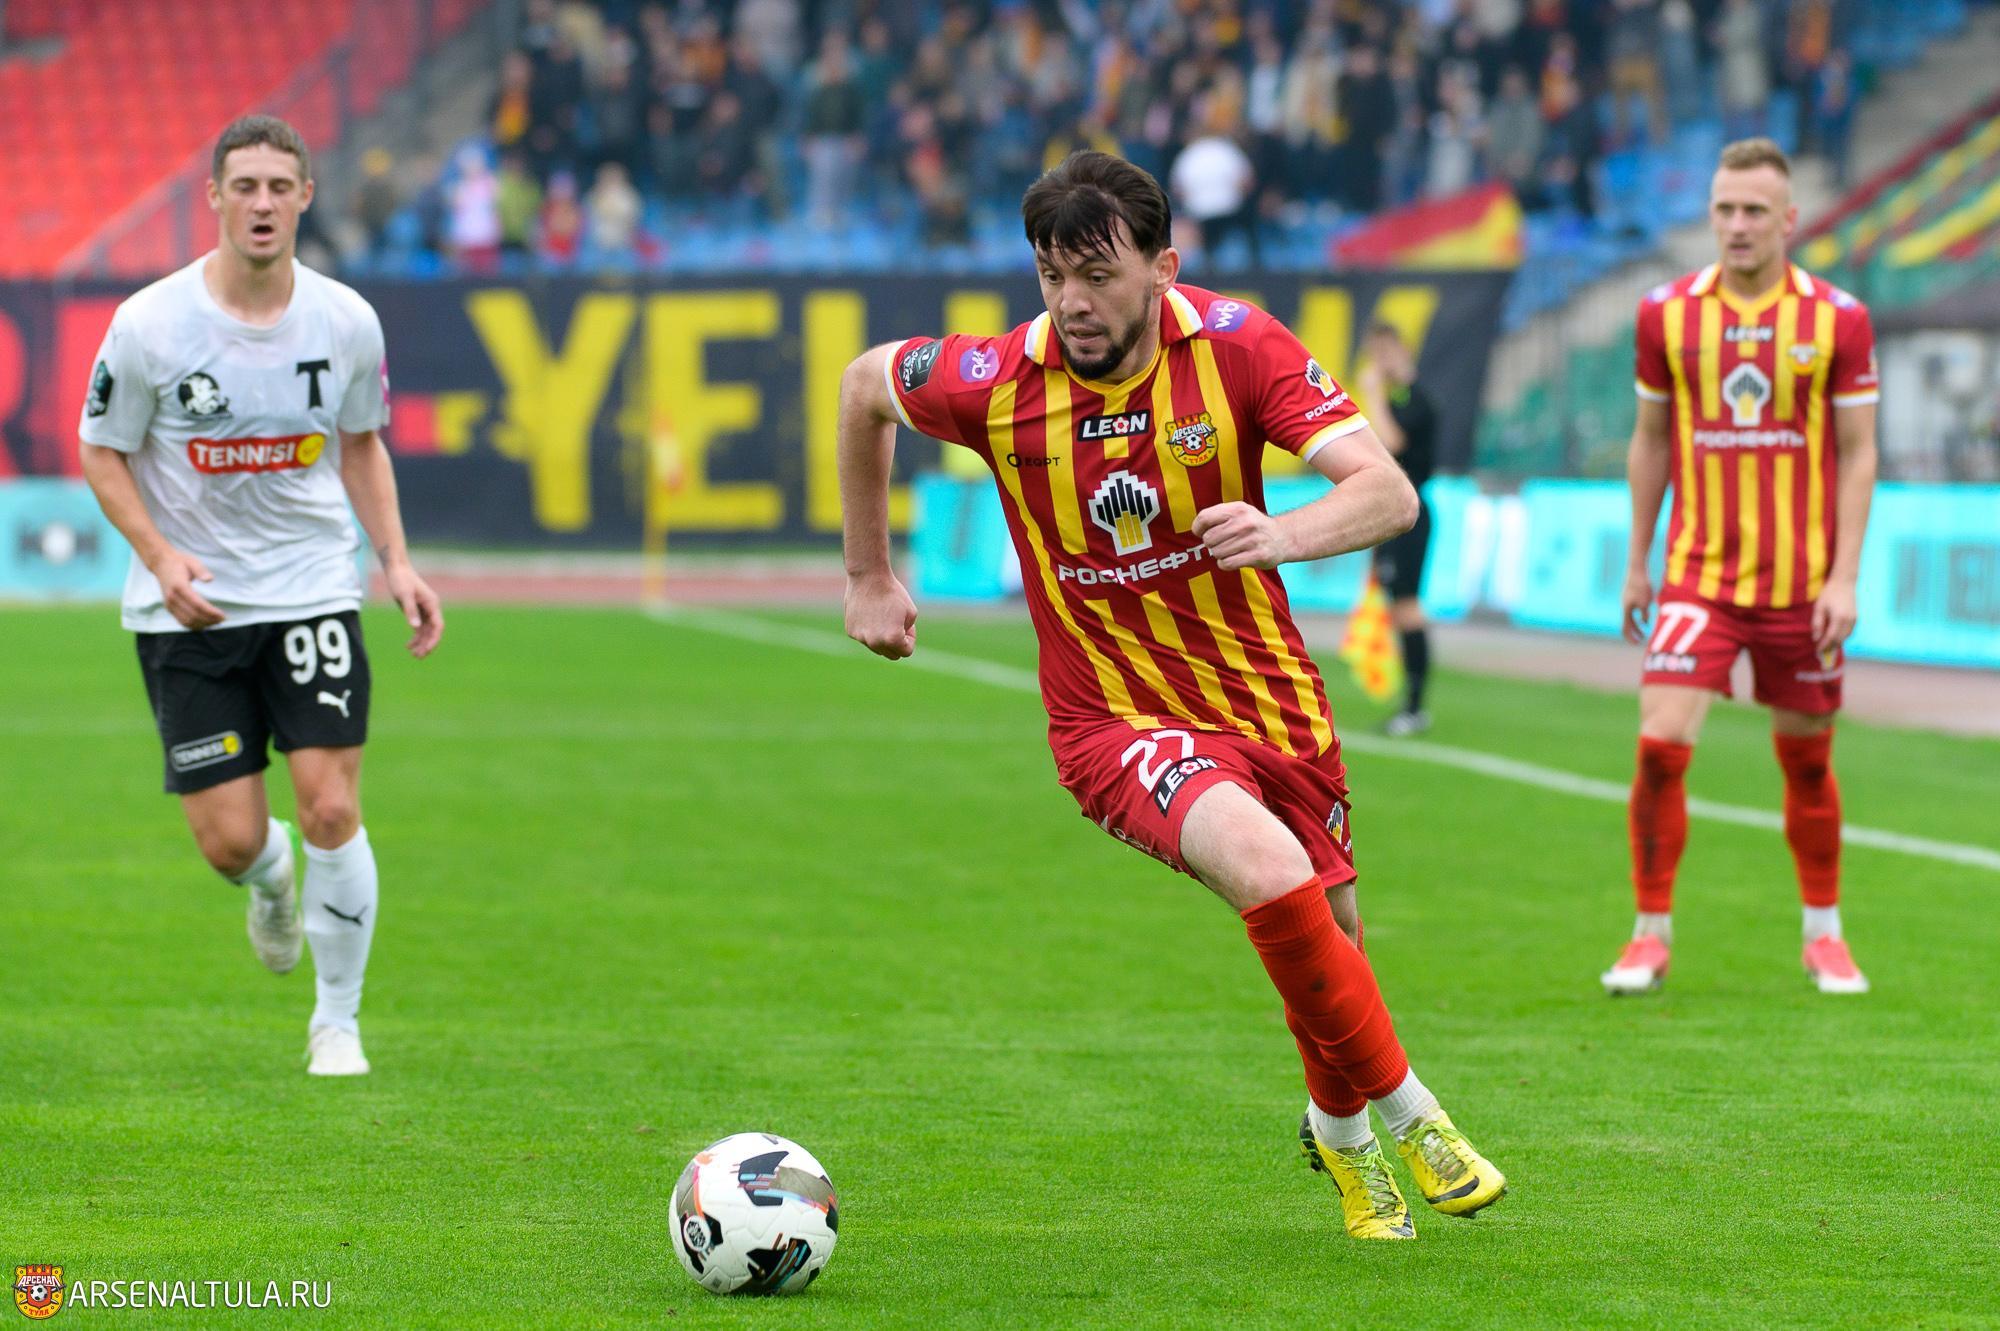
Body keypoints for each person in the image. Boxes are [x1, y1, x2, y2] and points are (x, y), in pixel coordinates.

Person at [838, 151, 1506, 1241]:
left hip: (1268, 698)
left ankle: (1338, 1138)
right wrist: (869, 571)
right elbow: (863, 387)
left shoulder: (1240, 346)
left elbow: (1387, 492)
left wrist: (1281, 533)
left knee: (1334, 938)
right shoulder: (995, 377)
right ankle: (1416, 1120)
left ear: (1162, 268)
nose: (1071, 301)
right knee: (1270, 870)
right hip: (1113, 718)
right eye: (1052, 274)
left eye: (1096, 274)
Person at [77, 115, 444, 1075]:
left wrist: (396, 562)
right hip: (189, 607)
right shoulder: (150, 324)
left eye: (280, 186)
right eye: (245, 186)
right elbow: (101, 450)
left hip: (312, 588)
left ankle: (338, 1022)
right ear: (215, 197)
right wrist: (160, 557)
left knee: (332, 807)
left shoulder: (345, 320)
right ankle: (271, 877)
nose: (263, 203)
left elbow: (360, 443)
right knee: (229, 842)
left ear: (306, 197)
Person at [1607, 138, 1878, 997]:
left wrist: (1844, 576)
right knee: (1660, 747)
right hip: (1701, 578)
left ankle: (1824, 934)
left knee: (1807, 762)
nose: (1737, 224)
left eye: (1754, 210)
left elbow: (1859, 452)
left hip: (1802, 585)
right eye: (1724, 208)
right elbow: (1651, 439)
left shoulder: (1838, 318)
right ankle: (1648, 934)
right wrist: (1638, 561)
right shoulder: (1664, 314)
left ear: (1789, 220)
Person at [1358, 321, 1440, 736]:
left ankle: (1414, 707)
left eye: (1384, 352)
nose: (1378, 361)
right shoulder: (1398, 398)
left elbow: (1391, 444)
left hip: (1411, 511)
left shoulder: (1416, 400)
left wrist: (1372, 394)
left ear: (1401, 351)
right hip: (1391, 512)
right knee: (1397, 606)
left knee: (1407, 607)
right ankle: (1409, 702)